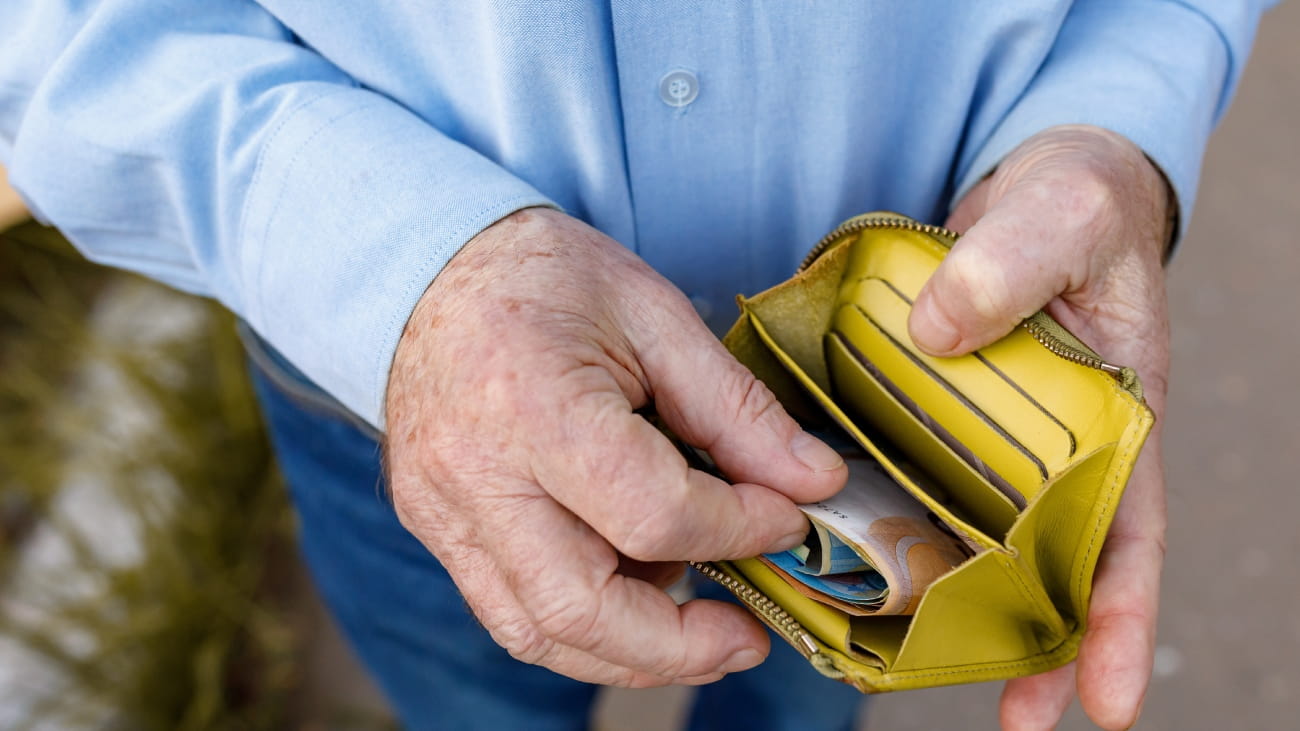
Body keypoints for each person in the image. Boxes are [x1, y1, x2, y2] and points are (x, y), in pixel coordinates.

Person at [0, 2, 1272, 729]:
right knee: (472, 699)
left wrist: (1113, 124)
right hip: (399, 391)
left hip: (922, 403)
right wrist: (396, 264)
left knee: (808, 692)